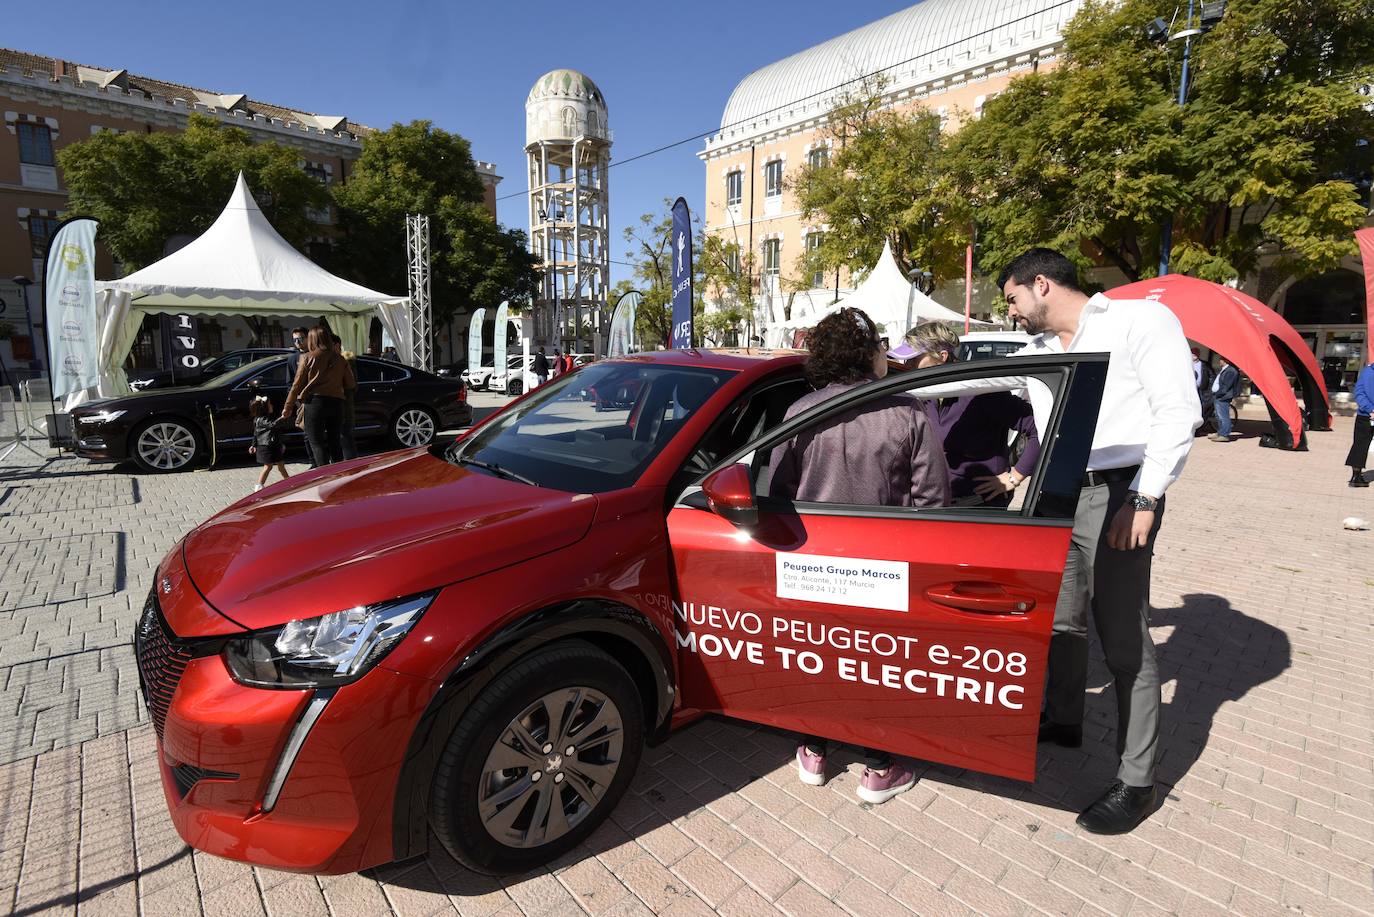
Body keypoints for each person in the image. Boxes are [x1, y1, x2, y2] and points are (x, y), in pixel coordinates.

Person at [1000, 248, 1200, 835]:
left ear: (1041, 285)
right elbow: (977, 379)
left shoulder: (1140, 322)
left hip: (1119, 494)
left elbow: (1177, 412)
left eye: (1012, 299)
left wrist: (1145, 496)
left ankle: (1138, 783)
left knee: (1123, 638)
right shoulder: (1036, 353)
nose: (1011, 313)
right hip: (1057, 497)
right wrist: (881, 382)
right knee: (1059, 619)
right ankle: (1062, 720)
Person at [769, 307, 951, 805]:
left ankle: (814, 748)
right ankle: (878, 765)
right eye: (879, 348)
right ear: (868, 355)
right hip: (882, 561)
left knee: (817, 653)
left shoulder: (799, 411)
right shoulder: (907, 410)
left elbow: (779, 488)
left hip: (811, 557)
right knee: (875, 662)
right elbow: (933, 499)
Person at [890, 321, 1042, 506]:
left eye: (915, 359)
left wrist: (1014, 477)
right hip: (942, 501)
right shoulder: (926, 395)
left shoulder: (981, 392)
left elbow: (1039, 427)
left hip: (979, 504)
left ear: (942, 356)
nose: (908, 365)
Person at [282, 326, 356, 468]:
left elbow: (296, 385)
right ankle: (339, 474)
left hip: (314, 403)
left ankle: (323, 476)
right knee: (335, 441)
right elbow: (350, 384)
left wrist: (288, 407)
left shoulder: (307, 357)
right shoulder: (340, 359)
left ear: (312, 339)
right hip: (336, 403)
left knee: (316, 443)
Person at [248, 393, 291, 491]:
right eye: (270, 404)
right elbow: (272, 425)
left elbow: (256, 433)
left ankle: (288, 482)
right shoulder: (262, 420)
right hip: (267, 447)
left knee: (280, 465)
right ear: (265, 408)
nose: (272, 406)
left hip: (272, 445)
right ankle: (259, 486)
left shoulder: (260, 419)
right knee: (268, 466)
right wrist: (283, 417)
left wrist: (253, 444)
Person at [1347, 358, 1373, 487]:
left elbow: (1359, 394)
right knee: (1360, 445)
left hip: (1365, 416)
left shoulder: (1366, 372)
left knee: (1360, 445)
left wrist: (1370, 410)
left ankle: (1355, 476)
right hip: (1368, 414)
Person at [333, 333, 359, 460]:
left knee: (346, 437)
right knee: (342, 438)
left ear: (337, 345)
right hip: (339, 406)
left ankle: (351, 467)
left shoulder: (345, 362)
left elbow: (352, 386)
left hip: (344, 406)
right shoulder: (334, 361)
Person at [1209, 354, 1241, 443]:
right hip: (1219, 396)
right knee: (1219, 416)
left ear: (1226, 360)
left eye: (1221, 359)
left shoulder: (1231, 371)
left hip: (1223, 396)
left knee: (1224, 416)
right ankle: (1220, 432)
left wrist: (1217, 393)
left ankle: (1224, 434)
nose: (1219, 361)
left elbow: (1226, 386)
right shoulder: (1226, 369)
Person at [1192, 348, 1215, 434]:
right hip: (1190, 391)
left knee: (1201, 409)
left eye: (1195, 354)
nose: (1193, 356)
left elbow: (1212, 376)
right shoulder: (1186, 364)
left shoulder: (1204, 365)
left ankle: (1199, 429)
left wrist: (1211, 388)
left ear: (1198, 355)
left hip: (1202, 391)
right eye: (1192, 354)